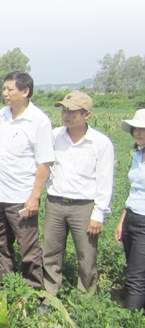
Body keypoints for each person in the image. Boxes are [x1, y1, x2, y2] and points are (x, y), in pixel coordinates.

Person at [42, 92, 114, 304]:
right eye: (64, 110)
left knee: (86, 255)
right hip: (55, 203)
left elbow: (104, 180)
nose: (65, 114)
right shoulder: (54, 137)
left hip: (84, 207)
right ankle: (49, 295)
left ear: (87, 115)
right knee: (51, 252)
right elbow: (44, 165)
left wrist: (98, 213)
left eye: (71, 111)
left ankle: (86, 300)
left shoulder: (100, 143)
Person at [0, 71, 54, 289]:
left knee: (28, 247)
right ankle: (5, 282)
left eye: (10, 89)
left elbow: (44, 163)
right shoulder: (2, 115)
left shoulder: (39, 121)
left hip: (21, 197)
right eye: (4, 89)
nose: (5, 93)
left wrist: (34, 197)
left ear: (25, 92)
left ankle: (33, 289)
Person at [115, 109, 145, 310]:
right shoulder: (138, 155)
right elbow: (134, 190)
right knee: (134, 268)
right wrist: (122, 220)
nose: (137, 133)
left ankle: (130, 321)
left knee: (136, 275)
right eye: (135, 129)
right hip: (132, 217)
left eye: (142, 129)